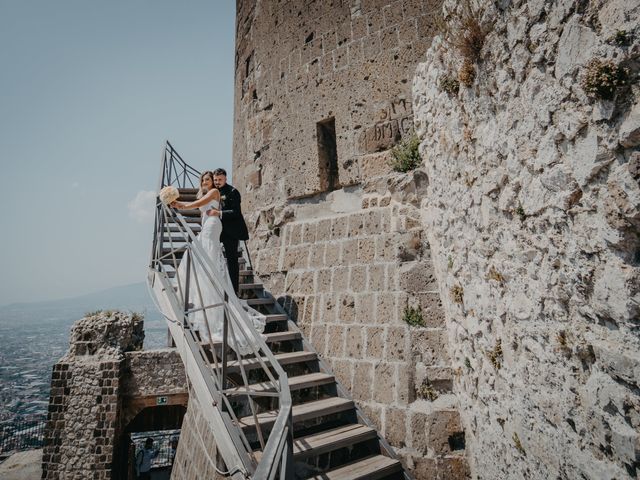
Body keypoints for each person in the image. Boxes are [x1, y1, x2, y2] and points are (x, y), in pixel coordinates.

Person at [170, 171, 264, 353]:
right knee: (202, 256)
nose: (208, 182)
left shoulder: (214, 193)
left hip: (214, 226)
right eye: (205, 180)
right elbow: (201, 207)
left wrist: (181, 205)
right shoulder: (207, 193)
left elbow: (199, 205)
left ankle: (217, 290)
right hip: (208, 226)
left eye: (210, 179)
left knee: (205, 254)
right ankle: (208, 289)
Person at [205, 168, 249, 294]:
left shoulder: (233, 192)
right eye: (216, 180)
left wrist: (219, 213)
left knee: (232, 261)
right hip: (217, 230)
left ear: (225, 179)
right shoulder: (213, 191)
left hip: (231, 231)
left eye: (220, 180)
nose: (217, 182)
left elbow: (236, 212)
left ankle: (234, 291)